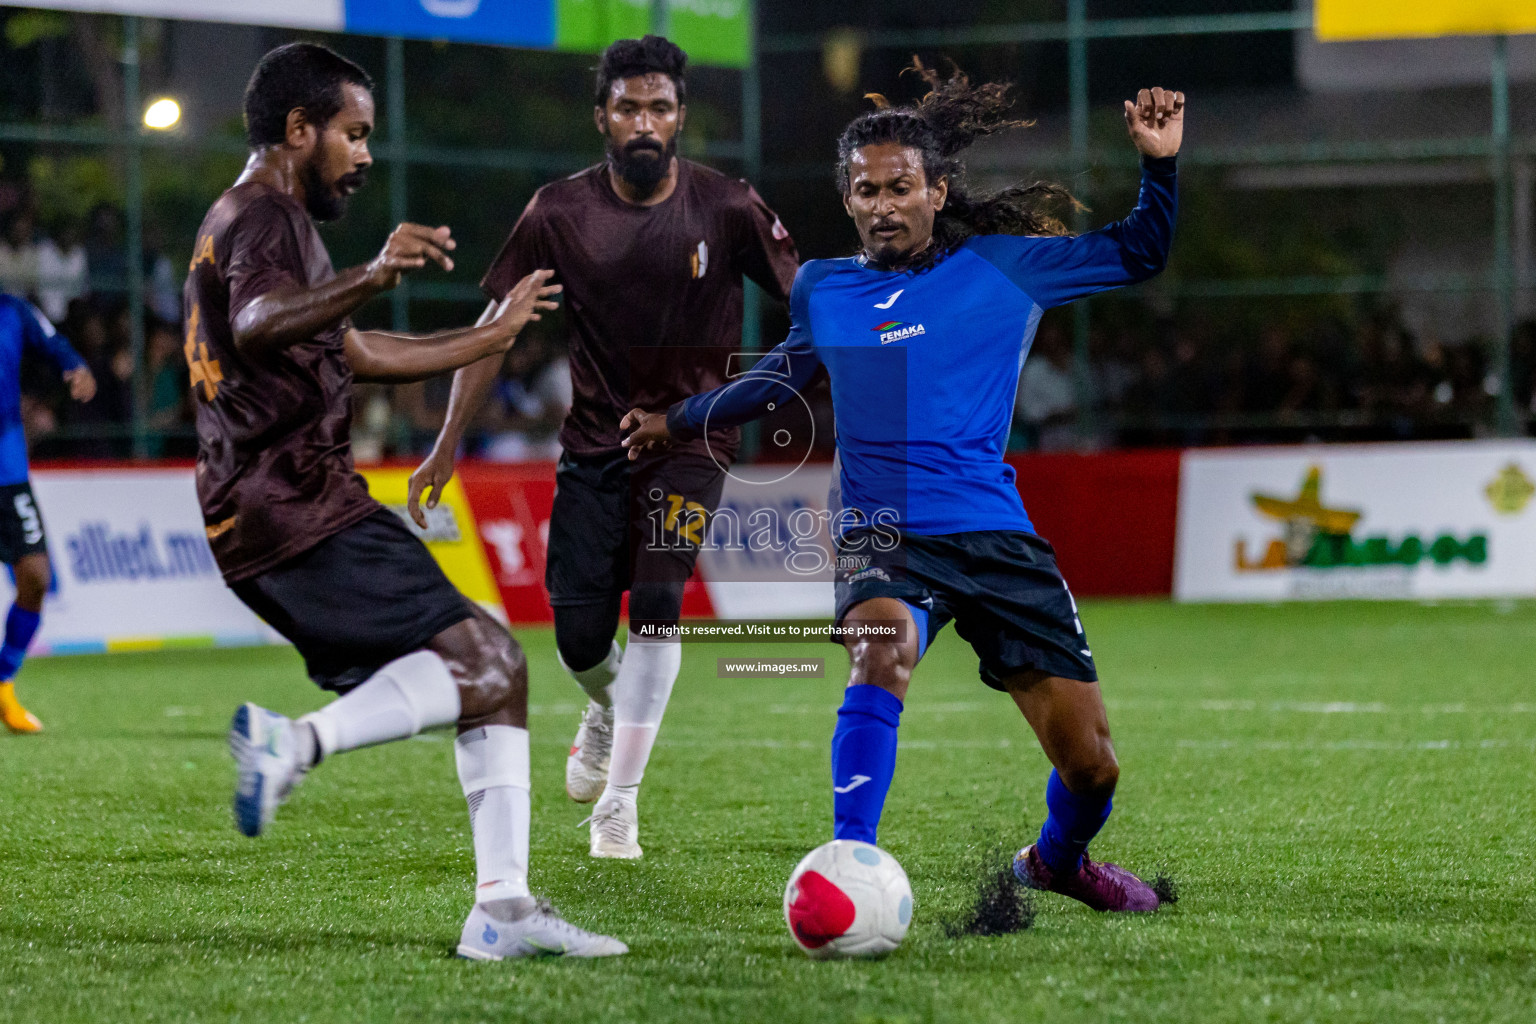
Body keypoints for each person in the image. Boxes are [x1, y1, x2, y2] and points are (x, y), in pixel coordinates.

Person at [623, 66, 1184, 913]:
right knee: (879, 651)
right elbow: (779, 379)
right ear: (847, 200)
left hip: (993, 531)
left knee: (1093, 765)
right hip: (884, 530)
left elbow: (1138, 251)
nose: (882, 204)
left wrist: (1161, 165)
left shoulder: (1005, 271)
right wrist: (680, 417)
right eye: (864, 190)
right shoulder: (826, 287)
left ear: (937, 190)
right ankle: (851, 859)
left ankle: (1058, 862)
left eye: (899, 187)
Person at [190, 42, 624, 958]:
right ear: (297, 130)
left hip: (274, 506)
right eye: (352, 134)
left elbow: (356, 351)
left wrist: (488, 337)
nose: (364, 154)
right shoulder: (264, 216)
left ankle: (503, 912)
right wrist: (378, 272)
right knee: (495, 662)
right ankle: (294, 747)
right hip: (294, 500)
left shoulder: (261, 221)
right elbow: (260, 324)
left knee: (495, 673)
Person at [407, 35, 799, 859]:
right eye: (629, 108)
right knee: (581, 639)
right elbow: (495, 333)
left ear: (681, 116)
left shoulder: (728, 206)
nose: (646, 122)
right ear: (603, 118)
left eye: (660, 107)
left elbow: (815, 306)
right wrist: (447, 443)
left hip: (694, 440)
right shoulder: (556, 213)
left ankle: (618, 802)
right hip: (594, 447)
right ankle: (603, 704)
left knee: (659, 600)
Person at [0, 292, 95, 733]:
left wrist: (75, 365)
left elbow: (53, 342)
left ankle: (3, 686)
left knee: (35, 576)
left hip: (8, 471)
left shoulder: (13, 310)